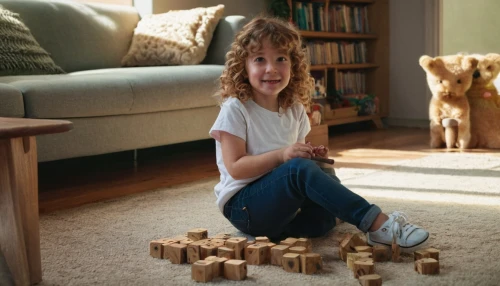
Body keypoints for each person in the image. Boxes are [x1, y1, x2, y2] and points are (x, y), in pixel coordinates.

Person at [209, 16, 429, 251]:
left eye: (281, 59)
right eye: (260, 59)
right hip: (244, 208)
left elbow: (291, 169)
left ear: (293, 65)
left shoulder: (294, 109)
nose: (271, 68)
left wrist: (307, 155)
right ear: (244, 66)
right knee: (300, 170)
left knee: (321, 178)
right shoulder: (236, 108)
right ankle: (377, 224)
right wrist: (284, 155)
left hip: (281, 209)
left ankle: (320, 220)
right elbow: (236, 167)